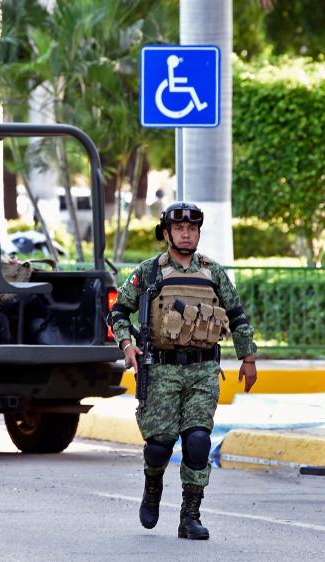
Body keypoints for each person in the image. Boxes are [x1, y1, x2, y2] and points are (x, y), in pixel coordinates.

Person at [107, 201, 258, 540]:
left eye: (192, 229)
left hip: (203, 369)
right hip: (161, 369)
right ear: (167, 233)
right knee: (159, 445)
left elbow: (236, 316)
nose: (186, 234)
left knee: (198, 441)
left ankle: (190, 516)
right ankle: (152, 483)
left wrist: (248, 358)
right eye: (179, 229)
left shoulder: (213, 272)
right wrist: (127, 346)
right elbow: (117, 313)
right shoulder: (148, 272)